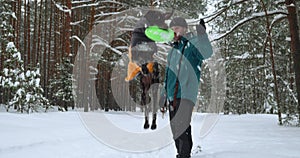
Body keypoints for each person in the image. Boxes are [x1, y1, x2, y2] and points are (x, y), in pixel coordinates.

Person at [160, 17, 213, 158]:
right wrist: (163, 94)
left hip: (186, 94)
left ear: (184, 29)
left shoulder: (193, 44)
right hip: (172, 95)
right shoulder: (172, 50)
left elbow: (206, 53)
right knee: (175, 130)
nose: (174, 31)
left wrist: (202, 35)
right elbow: (167, 75)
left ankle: (184, 155)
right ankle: (180, 154)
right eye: (172, 29)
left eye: (176, 28)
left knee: (182, 127)